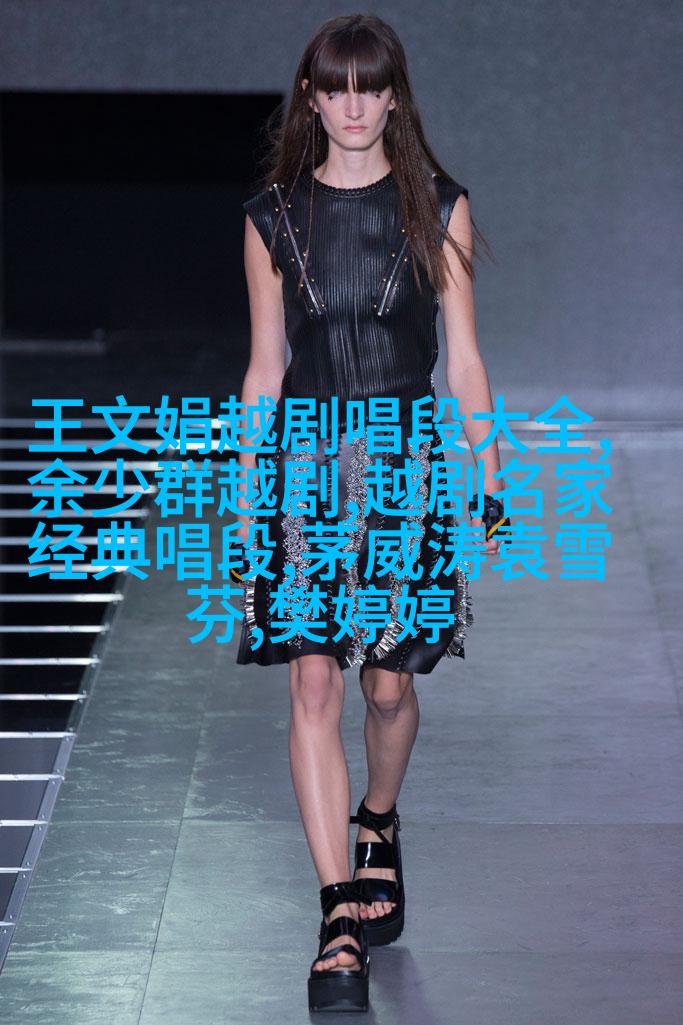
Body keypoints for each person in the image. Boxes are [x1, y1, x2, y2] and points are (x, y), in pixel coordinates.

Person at [232, 13, 509, 1013]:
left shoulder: (437, 207)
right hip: (304, 465)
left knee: (387, 688)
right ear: (310, 99)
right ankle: (337, 917)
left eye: (370, 86)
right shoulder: (271, 218)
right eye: (334, 87)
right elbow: (265, 367)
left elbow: (463, 358)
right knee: (313, 681)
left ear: (394, 97)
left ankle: (378, 819)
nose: (352, 105)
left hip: (404, 462)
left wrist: (488, 478)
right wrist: (244, 493)